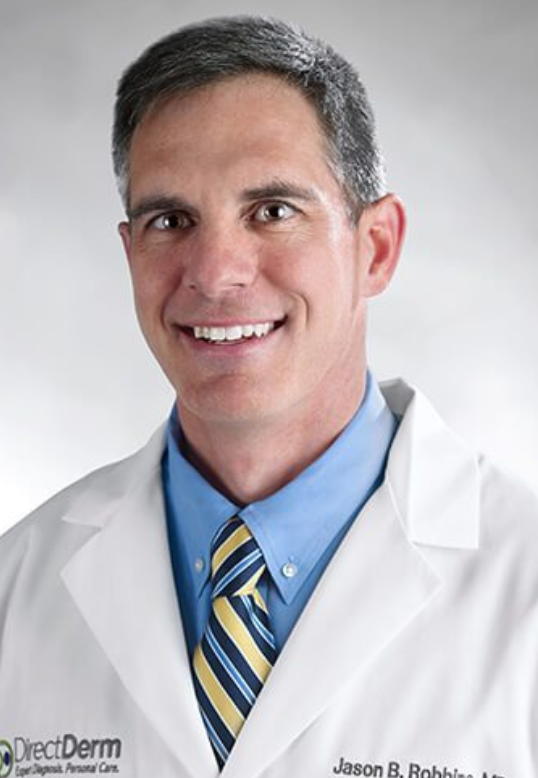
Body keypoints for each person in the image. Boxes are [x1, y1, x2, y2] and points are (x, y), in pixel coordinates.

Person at [0, 15, 537, 778]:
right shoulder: (16, 591)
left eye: (274, 211)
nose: (215, 273)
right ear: (130, 253)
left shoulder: (524, 588)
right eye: (170, 220)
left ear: (375, 248)